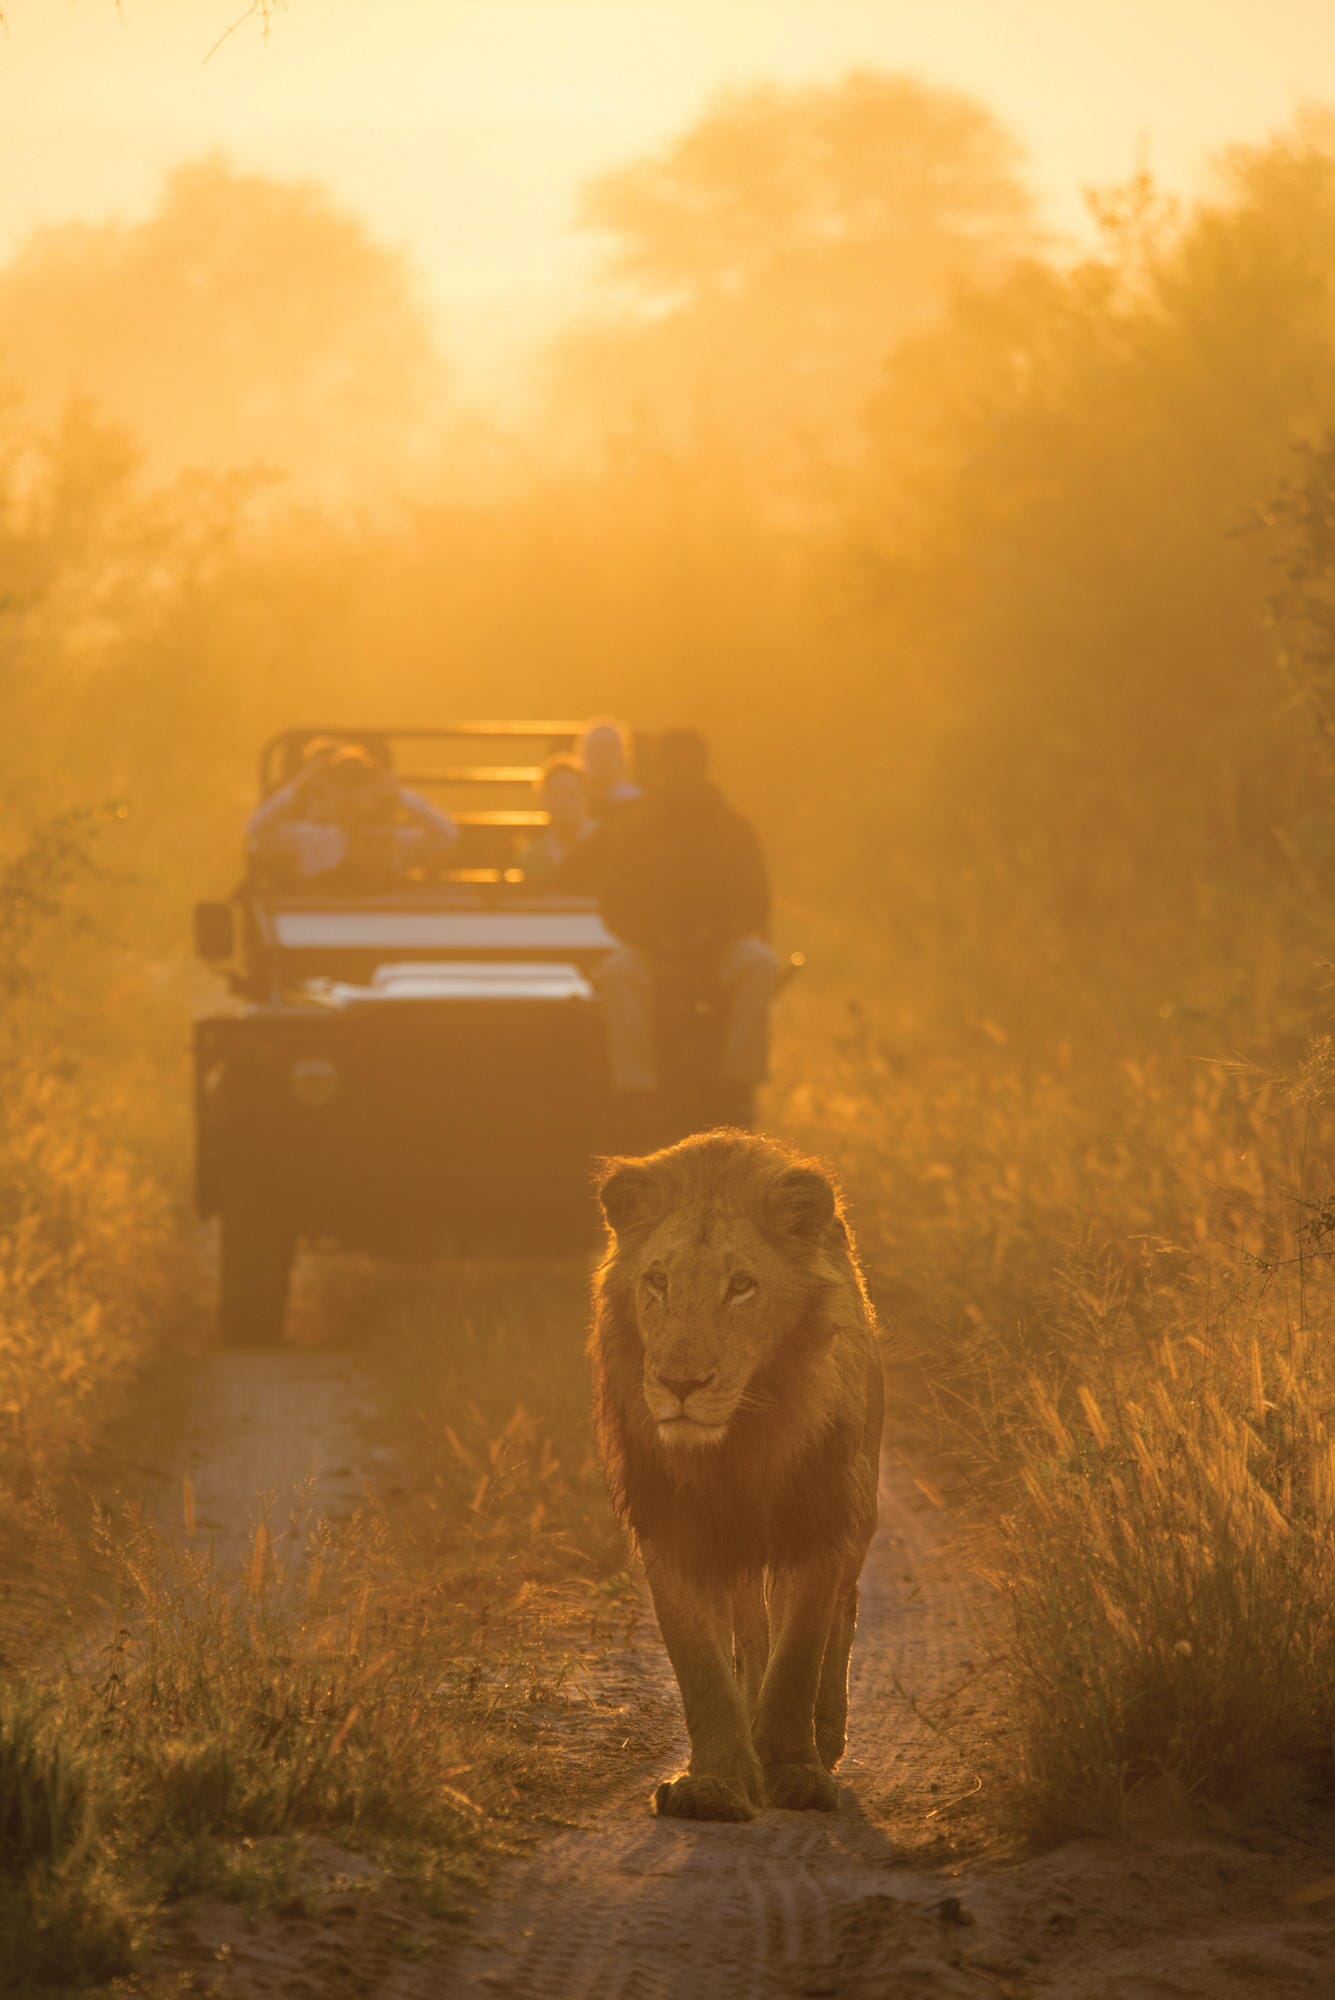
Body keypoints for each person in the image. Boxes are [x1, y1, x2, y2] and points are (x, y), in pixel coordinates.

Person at [597, 728, 780, 1123]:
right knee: (617, 973)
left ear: (703, 770)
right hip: (650, 949)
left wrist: (716, 938)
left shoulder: (733, 830)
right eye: (674, 766)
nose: (682, 775)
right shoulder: (635, 830)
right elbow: (613, 902)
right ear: (662, 772)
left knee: (760, 964)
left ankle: (738, 1083)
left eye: (689, 766)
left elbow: (755, 900)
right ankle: (636, 1089)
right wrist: (653, 940)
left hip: (721, 948)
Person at [246, 741, 458, 888]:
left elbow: (447, 837)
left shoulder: (393, 838)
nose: (350, 793)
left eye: (359, 783)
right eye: (340, 783)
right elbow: (257, 831)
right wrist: (302, 785)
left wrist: (395, 793)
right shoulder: (309, 839)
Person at [518, 755, 604, 891]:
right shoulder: (532, 857)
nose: (564, 803)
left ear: (585, 796)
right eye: (556, 795)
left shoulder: (607, 841)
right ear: (544, 800)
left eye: (571, 794)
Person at [580, 718, 642, 822]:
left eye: (609, 750)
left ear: (623, 757)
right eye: (594, 749)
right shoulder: (571, 800)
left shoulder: (635, 800)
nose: (601, 757)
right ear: (583, 755)